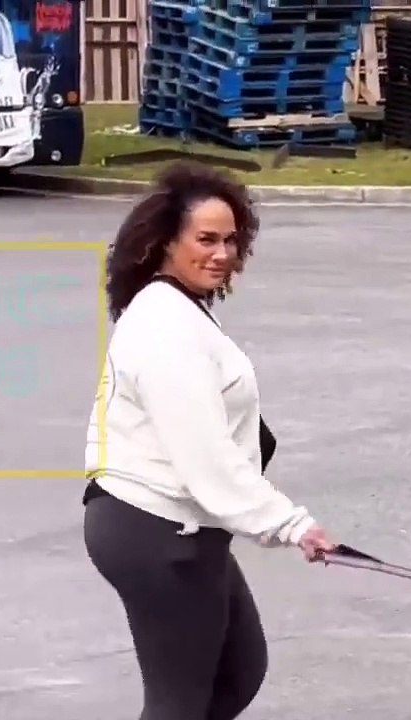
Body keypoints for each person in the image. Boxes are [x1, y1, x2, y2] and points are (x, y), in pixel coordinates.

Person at [82, 161, 337, 720]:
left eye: (230, 240)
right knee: (179, 702)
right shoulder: (164, 327)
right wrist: (293, 525)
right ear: (166, 241)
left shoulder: (178, 309)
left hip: (187, 525)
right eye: (206, 239)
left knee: (237, 672)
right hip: (155, 530)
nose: (221, 254)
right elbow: (205, 457)